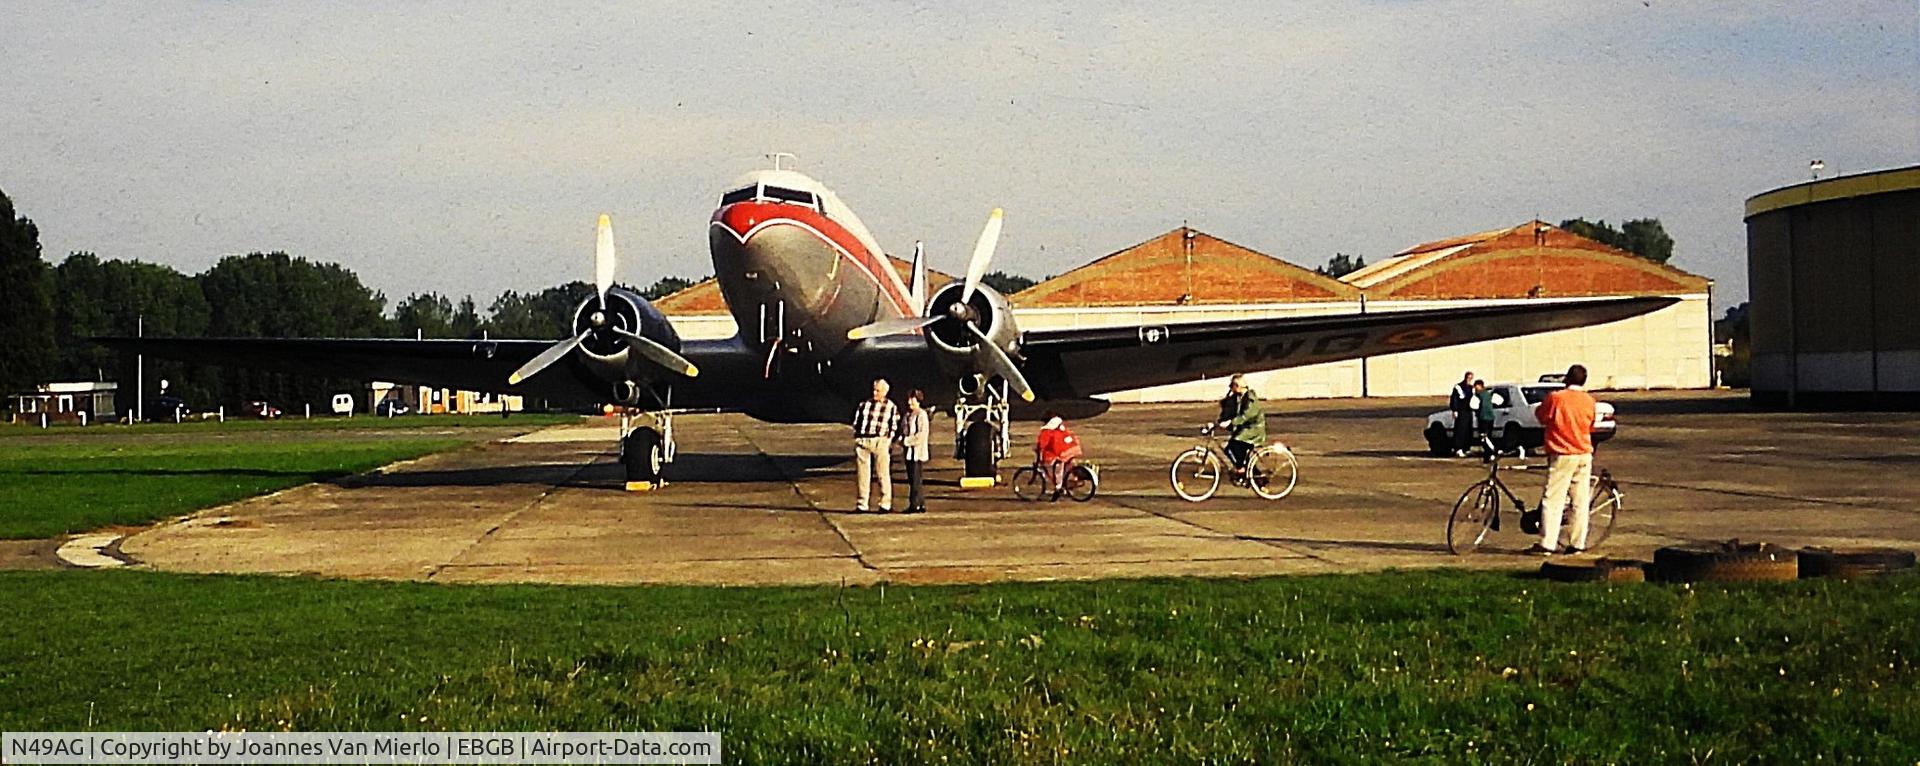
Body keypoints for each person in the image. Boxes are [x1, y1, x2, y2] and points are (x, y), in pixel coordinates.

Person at [1528, 364, 1598, 555]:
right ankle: (1577, 543)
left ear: (1567, 378)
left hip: (1562, 453)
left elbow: (1542, 417)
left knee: (1553, 499)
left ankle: (1547, 543)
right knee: (1580, 501)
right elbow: (1591, 425)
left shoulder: (1556, 398)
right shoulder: (1589, 401)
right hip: (1583, 452)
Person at [851, 377, 900, 513]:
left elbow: (894, 426)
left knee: (882, 473)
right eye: (874, 390)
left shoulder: (891, 407)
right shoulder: (864, 404)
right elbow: (857, 421)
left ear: (885, 392)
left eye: (878, 391)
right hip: (864, 440)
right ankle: (862, 503)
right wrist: (858, 437)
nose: (874, 393)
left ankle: (885, 503)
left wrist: (888, 441)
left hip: (880, 441)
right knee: (863, 474)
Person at [1216, 373, 1266, 476]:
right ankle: (1249, 472)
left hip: (1253, 429)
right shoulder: (1238, 397)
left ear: (1237, 386)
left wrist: (1231, 422)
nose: (1230, 388)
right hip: (1245, 428)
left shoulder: (1250, 398)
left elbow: (1247, 415)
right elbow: (1230, 411)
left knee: (1235, 444)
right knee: (1231, 449)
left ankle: (1242, 469)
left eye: (1232, 386)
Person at [1034, 411, 1083, 500]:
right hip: (1072, 448)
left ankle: (1058, 488)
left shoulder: (1047, 431)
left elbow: (1042, 444)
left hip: (1061, 453)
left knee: (1057, 470)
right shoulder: (1061, 427)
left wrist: (1039, 451)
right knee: (1068, 467)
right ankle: (1073, 481)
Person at [899, 389, 930, 514]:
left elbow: (921, 435)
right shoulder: (907, 415)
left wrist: (907, 441)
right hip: (908, 453)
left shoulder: (921, 415)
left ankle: (914, 504)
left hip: (917, 452)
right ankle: (920, 503)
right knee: (912, 479)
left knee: (916, 480)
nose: (909, 402)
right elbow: (903, 430)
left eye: (912, 400)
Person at [1448, 371, 1477, 457]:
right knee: (1460, 430)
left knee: (1468, 430)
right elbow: (1454, 399)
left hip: (1469, 411)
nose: (1470, 379)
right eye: (1469, 378)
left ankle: (1466, 448)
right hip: (1461, 411)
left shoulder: (1471, 388)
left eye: (1471, 378)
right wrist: (1455, 410)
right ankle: (1458, 448)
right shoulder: (1458, 387)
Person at [1473, 379, 1497, 452]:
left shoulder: (1479, 395)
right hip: (1490, 417)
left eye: (1476, 387)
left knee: (1484, 436)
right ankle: (1490, 451)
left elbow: (1475, 405)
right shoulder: (1489, 394)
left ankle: (1489, 451)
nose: (1475, 389)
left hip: (1483, 417)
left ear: (1480, 386)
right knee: (1489, 435)